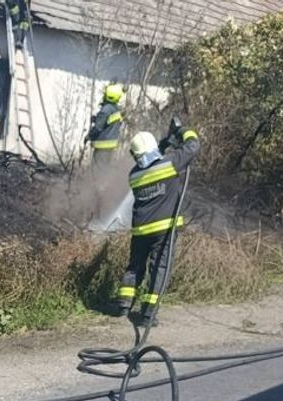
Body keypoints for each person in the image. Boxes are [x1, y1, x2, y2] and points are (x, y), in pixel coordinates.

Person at [114, 117, 201, 325]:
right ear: (152, 148)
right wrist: (182, 130)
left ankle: (123, 305)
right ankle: (147, 315)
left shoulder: (134, 174)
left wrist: (165, 142)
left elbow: (152, 159)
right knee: (158, 269)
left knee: (134, 266)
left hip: (140, 230)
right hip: (164, 230)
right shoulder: (169, 165)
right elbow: (193, 145)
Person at [86, 84, 125, 165]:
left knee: (98, 172)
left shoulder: (106, 109)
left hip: (101, 147)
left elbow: (98, 128)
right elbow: (109, 122)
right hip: (111, 146)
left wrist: (89, 136)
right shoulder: (116, 109)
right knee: (106, 170)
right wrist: (96, 119)